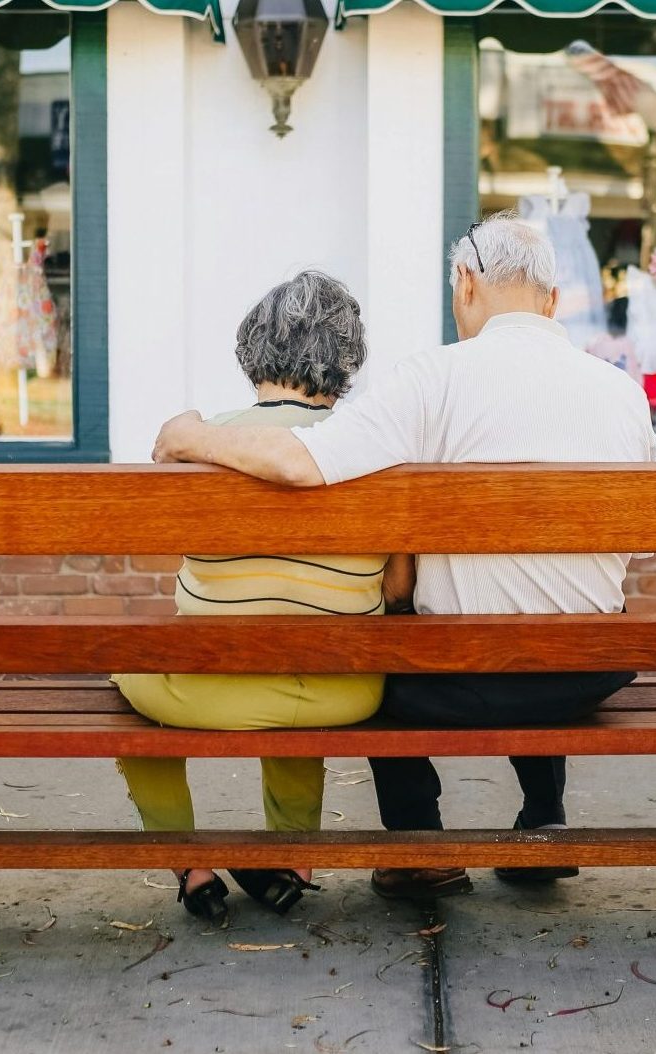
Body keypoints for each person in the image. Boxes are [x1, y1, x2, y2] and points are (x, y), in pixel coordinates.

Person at [153, 213, 656, 901]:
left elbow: (301, 463)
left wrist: (190, 436)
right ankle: (543, 818)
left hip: (462, 677)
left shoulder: (431, 379)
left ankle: (418, 847)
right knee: (551, 608)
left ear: (465, 282)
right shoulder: (623, 393)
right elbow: (636, 548)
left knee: (383, 649)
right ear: (551, 301)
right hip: (587, 672)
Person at [117, 270, 398, 923]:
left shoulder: (205, 440)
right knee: (298, 647)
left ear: (252, 348)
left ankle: (189, 865)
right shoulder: (373, 446)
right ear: (347, 355)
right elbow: (398, 584)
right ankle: (292, 856)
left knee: (127, 670)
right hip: (343, 693)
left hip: (204, 690)